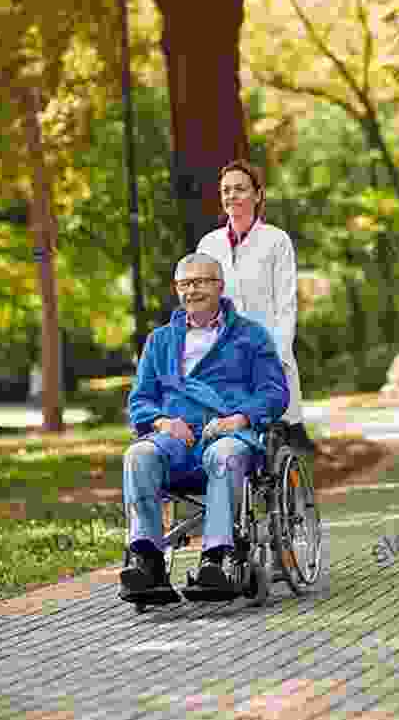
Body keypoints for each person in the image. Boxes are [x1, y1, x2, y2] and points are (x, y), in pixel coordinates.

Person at [119, 252, 289, 605]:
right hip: (175, 439)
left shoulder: (250, 335)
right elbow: (140, 400)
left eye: (200, 282)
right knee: (138, 455)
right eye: (184, 284)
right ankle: (147, 560)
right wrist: (164, 422)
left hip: (227, 433)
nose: (191, 290)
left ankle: (217, 558)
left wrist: (239, 418)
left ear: (220, 287)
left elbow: (274, 392)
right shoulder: (160, 340)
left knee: (224, 454)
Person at [196, 159, 316, 453]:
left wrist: (277, 352)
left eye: (240, 189)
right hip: (223, 354)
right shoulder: (208, 246)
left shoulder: (276, 241)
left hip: (267, 351)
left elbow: (285, 304)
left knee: (271, 431)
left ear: (258, 195)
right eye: (226, 190)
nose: (232, 196)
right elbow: (200, 303)